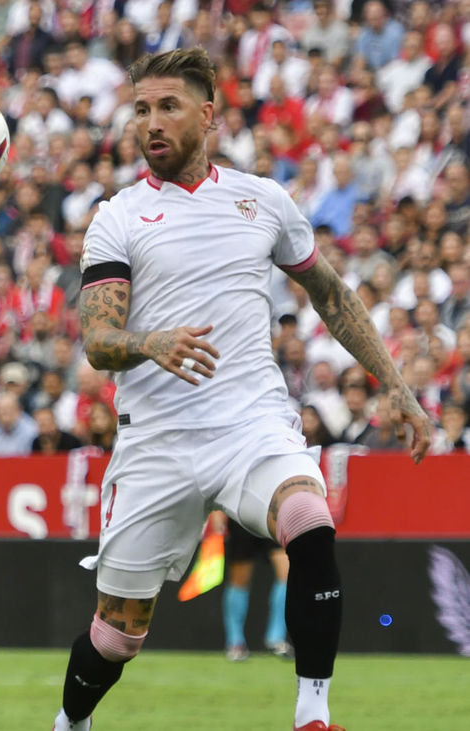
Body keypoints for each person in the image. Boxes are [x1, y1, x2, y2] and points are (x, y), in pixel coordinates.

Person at [60, 48, 430, 731]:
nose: (151, 123)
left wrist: (397, 386)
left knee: (311, 523)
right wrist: (151, 343)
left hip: (250, 427)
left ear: (208, 116)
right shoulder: (116, 216)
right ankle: (70, 723)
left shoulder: (263, 200)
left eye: (168, 107)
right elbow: (98, 340)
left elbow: (331, 294)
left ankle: (313, 715)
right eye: (141, 109)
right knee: (117, 637)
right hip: (158, 442)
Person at [209, 511, 292, 662]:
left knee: (288, 572)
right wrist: (218, 511)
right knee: (240, 578)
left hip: (273, 514)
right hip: (242, 516)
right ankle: (235, 643)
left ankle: (275, 639)